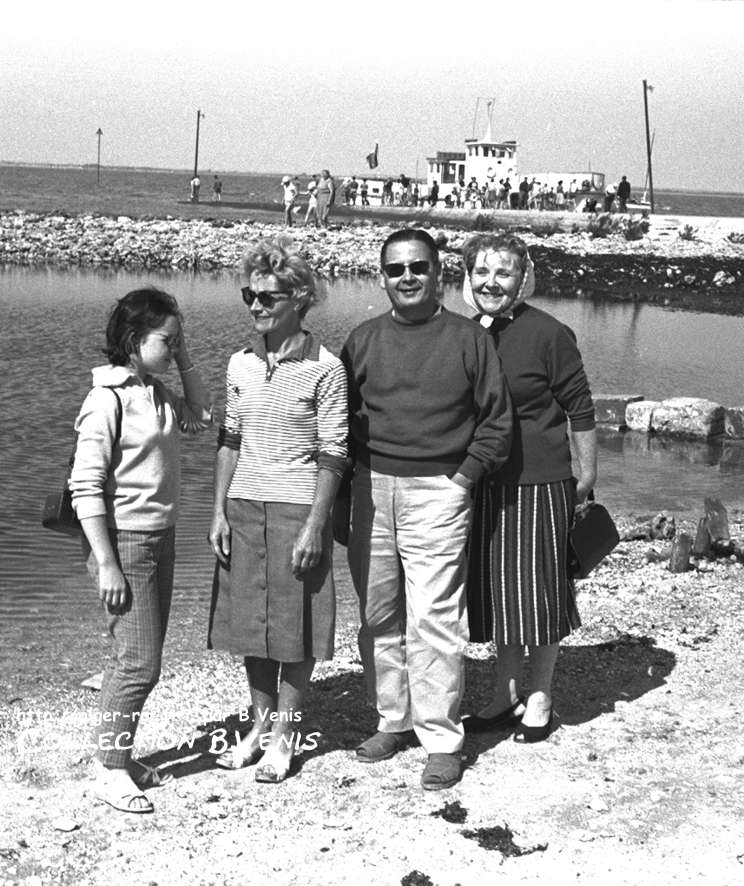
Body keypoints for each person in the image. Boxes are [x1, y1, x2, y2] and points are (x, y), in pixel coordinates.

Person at [341, 228, 512, 791]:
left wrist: (462, 480)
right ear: (382, 277)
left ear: (440, 274)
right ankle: (394, 720)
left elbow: (496, 422)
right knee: (378, 615)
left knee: (434, 618)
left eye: (419, 267)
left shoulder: (469, 339)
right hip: (371, 490)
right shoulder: (363, 339)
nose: (408, 277)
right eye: (396, 270)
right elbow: (338, 424)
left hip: (439, 491)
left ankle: (441, 738)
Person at [208, 237, 348, 783]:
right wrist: (217, 511)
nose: (256, 306)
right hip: (243, 507)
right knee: (252, 628)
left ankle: (285, 737)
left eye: (268, 297)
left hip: (297, 507)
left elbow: (335, 453)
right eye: (250, 295)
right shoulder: (239, 364)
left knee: (295, 630)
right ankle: (258, 730)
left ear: (300, 298)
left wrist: (317, 523)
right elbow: (229, 440)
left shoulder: (326, 368)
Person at [70, 287, 212, 813]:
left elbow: (200, 417)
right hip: (126, 544)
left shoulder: (152, 391)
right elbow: (86, 486)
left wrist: (184, 359)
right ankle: (109, 768)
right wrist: (106, 561)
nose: (174, 349)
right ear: (133, 340)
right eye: (166, 340)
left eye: (178, 341)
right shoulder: (106, 399)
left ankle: (118, 756)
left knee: (132, 657)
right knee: (138, 663)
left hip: (160, 536)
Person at [459, 233, 597, 743]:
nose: (492, 283)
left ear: (524, 278)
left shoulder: (549, 333)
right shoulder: (466, 332)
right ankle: (503, 695)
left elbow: (580, 408)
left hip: (540, 481)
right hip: (484, 483)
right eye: (482, 273)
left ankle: (539, 697)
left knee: (537, 594)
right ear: (469, 278)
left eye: (504, 273)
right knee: (497, 595)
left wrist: (586, 474)